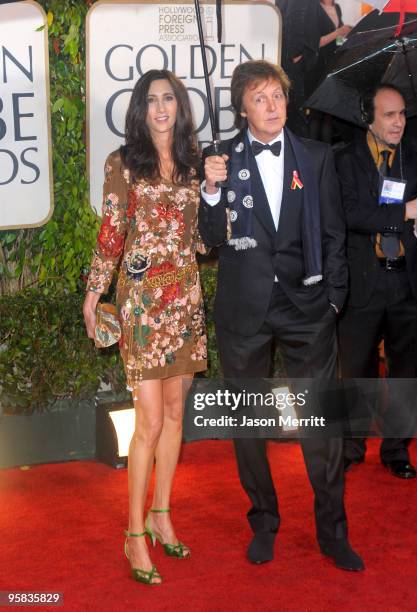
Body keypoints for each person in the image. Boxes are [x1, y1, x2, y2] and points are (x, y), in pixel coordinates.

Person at [198, 59, 364, 571]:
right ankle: (264, 519)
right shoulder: (220, 159)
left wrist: (335, 299)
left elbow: (335, 234)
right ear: (242, 108)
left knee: (323, 426)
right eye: (260, 98)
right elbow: (209, 239)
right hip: (243, 311)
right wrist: (209, 192)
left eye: (278, 96)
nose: (272, 106)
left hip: (309, 308)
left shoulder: (316, 157)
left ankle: (332, 532)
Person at [83, 69, 207, 585]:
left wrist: (219, 192)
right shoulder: (124, 164)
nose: (162, 108)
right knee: (150, 420)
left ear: (180, 106)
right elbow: (111, 232)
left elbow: (205, 235)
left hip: (185, 299)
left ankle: (161, 512)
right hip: (142, 306)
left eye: (170, 99)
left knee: (177, 412)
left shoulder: (196, 164)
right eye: (153, 100)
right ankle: (134, 532)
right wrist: (94, 296)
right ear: (141, 109)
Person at [335, 84, 417, 478]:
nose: (398, 122)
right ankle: (351, 446)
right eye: (389, 115)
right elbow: (350, 214)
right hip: (364, 281)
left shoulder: (416, 155)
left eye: (402, 114)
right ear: (369, 118)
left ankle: (396, 450)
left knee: (407, 372)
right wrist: (401, 213)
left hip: (408, 283)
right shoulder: (346, 159)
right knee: (356, 371)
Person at [306, 0, 351, 143]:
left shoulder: (336, 7)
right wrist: (338, 32)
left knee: (328, 113)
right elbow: (314, 43)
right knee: (316, 113)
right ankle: (312, 156)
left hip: (333, 65)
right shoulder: (313, 7)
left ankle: (326, 157)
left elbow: (336, 41)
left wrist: (345, 39)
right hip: (317, 67)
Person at [277, 0, 322, 136]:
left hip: (290, 61)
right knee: (295, 115)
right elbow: (294, 20)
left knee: (292, 113)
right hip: (294, 64)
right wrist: (296, 54)